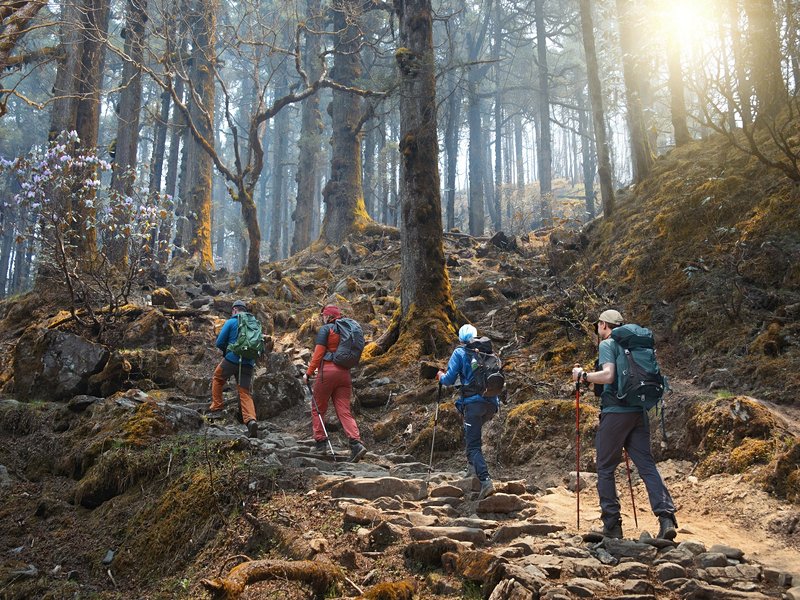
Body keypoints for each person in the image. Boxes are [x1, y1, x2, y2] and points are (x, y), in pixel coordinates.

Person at [572, 309, 678, 540]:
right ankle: (666, 518)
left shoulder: (608, 344)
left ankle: (612, 525)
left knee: (605, 467)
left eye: (598, 325)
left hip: (616, 414)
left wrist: (583, 376)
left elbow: (608, 377)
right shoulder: (637, 346)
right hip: (639, 412)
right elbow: (609, 385)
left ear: (603, 325)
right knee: (647, 465)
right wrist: (592, 382)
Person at [437, 324, 499, 501]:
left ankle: (485, 481)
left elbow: (449, 380)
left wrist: (441, 376)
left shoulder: (460, 352)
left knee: (473, 445)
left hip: (473, 404)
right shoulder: (487, 352)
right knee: (472, 435)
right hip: (491, 404)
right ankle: (472, 470)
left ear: (460, 339)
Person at [303, 305, 367, 463]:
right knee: (344, 410)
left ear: (329, 316)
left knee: (317, 406)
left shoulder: (327, 329)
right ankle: (356, 443)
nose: (322, 318)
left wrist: (309, 372)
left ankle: (320, 443)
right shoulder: (348, 330)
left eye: (323, 316)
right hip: (344, 374)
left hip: (328, 372)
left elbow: (318, 354)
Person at [208, 299, 259, 438]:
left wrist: (227, 351)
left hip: (232, 359)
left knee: (218, 378)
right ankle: (251, 420)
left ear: (235, 310)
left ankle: (217, 406)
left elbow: (219, 342)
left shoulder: (231, 321)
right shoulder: (252, 323)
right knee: (244, 392)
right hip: (248, 362)